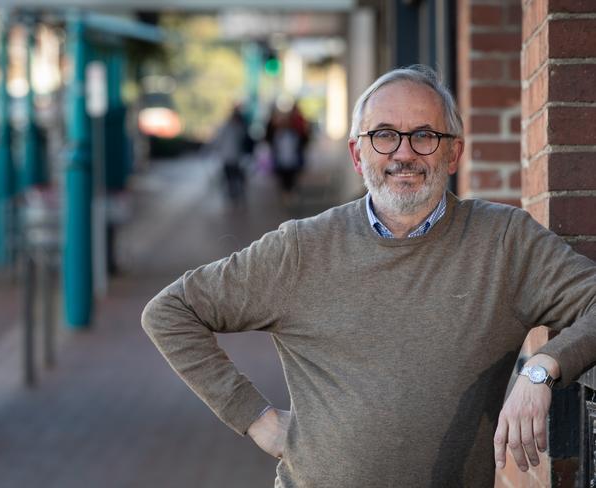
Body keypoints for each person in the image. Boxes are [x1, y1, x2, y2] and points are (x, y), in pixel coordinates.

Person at [141, 65, 596, 487]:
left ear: (454, 152)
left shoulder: (504, 242)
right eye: (384, 136)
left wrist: (542, 369)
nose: (404, 153)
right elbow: (170, 311)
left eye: (424, 135)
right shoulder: (302, 248)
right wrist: (255, 418)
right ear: (358, 155)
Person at [265, 100, 310, 197]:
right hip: (283, 161)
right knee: (284, 180)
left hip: (291, 161)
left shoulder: (293, 135)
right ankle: (287, 195)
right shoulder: (278, 135)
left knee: (291, 179)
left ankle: (289, 195)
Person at [213, 105, 253, 205]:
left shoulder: (240, 127)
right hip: (229, 158)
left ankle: (236, 196)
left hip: (236, 159)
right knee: (231, 179)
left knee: (236, 179)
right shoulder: (232, 127)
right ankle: (233, 196)